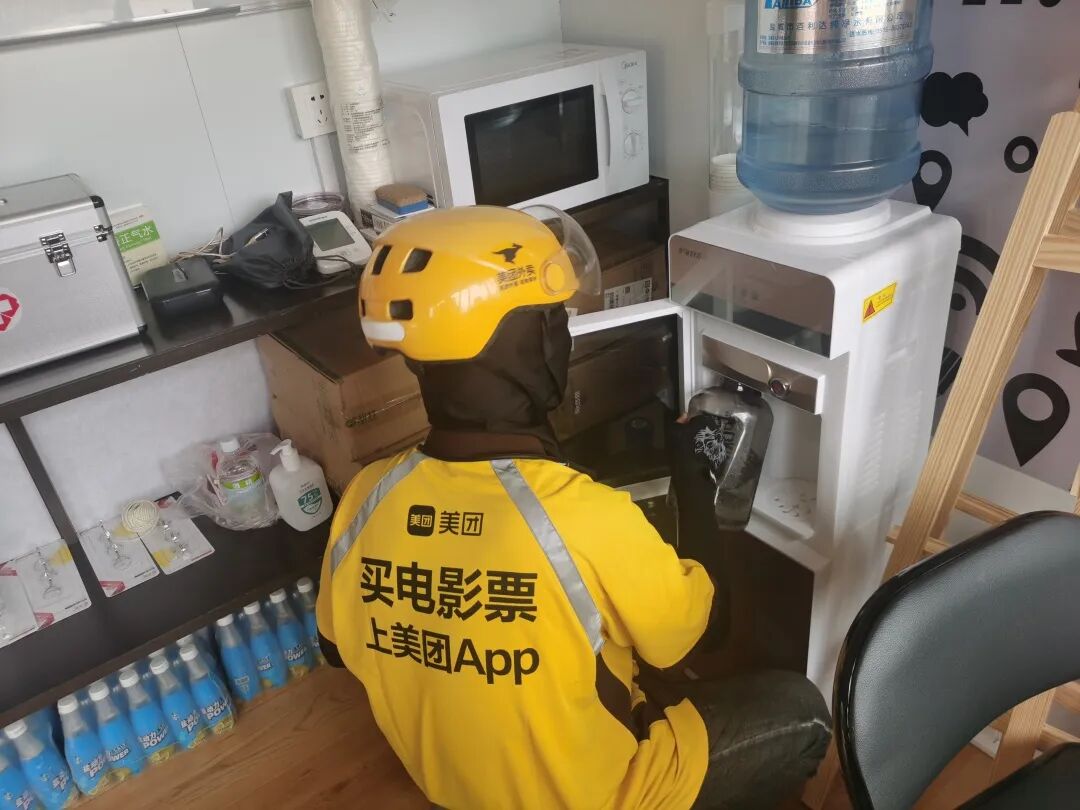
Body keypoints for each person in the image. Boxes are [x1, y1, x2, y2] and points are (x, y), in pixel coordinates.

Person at [316, 205, 830, 809]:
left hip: (453, 789)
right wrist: (693, 480)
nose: (564, 332)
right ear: (533, 343)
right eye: (556, 317)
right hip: (593, 798)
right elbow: (707, 635)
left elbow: (335, 648)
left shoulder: (365, 496)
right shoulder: (585, 516)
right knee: (804, 714)